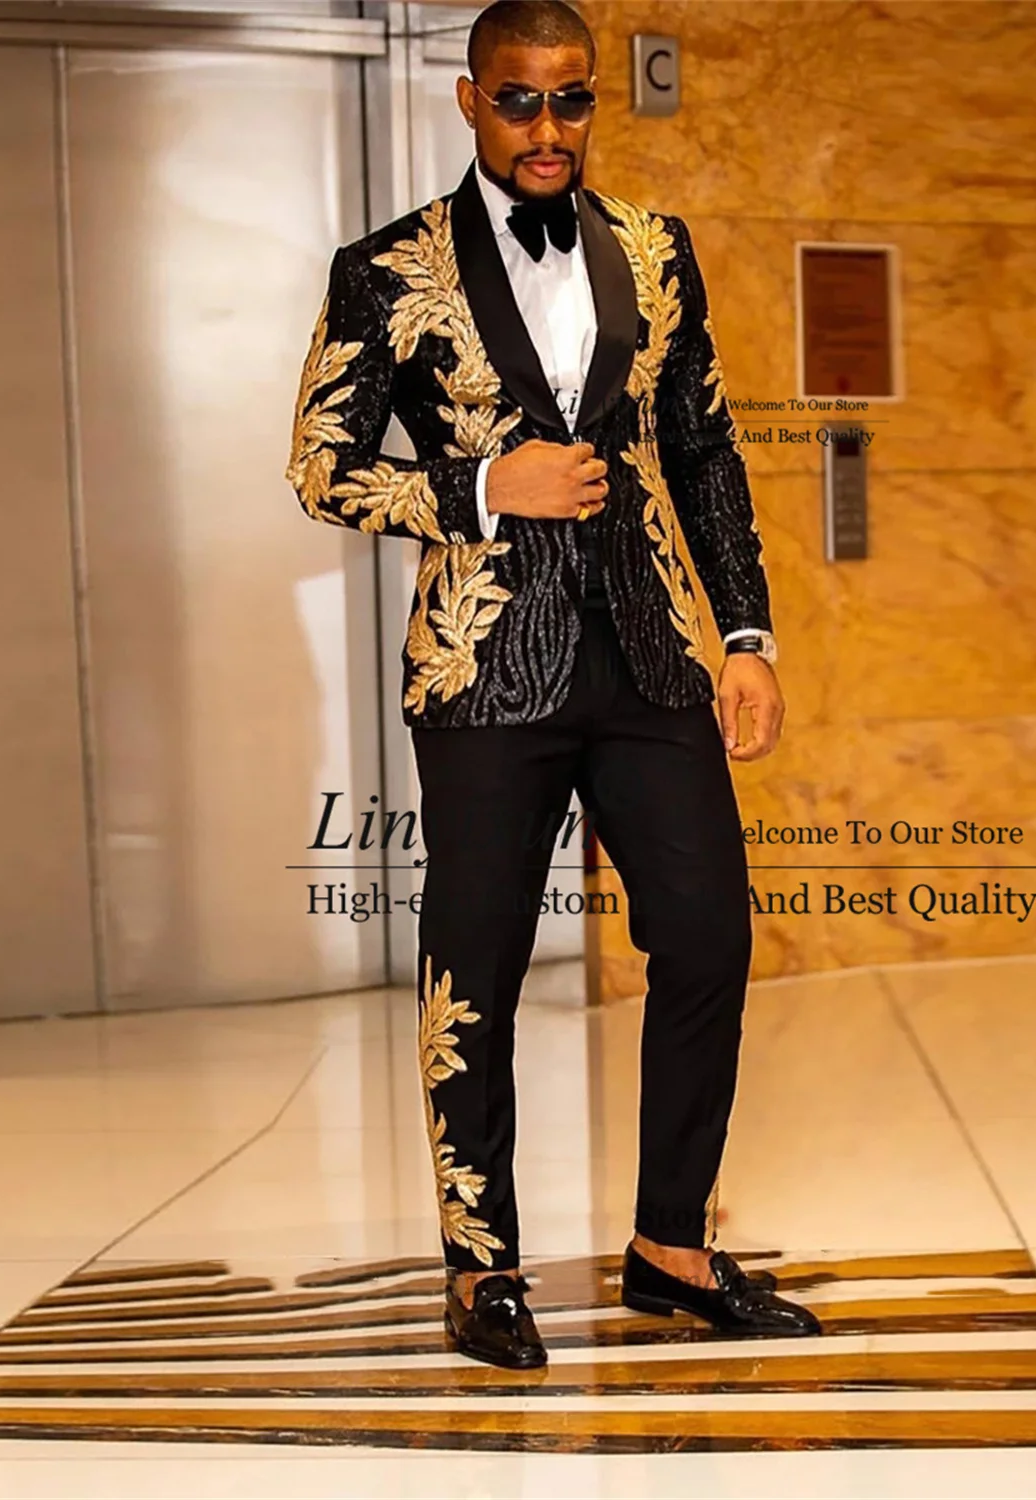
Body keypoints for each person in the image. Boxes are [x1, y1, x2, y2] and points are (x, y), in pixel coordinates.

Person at [286, 0, 819, 1369]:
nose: (546, 126)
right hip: (483, 669)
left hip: (651, 654)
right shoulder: (384, 269)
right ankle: (482, 1270)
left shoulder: (654, 246)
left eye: (570, 98)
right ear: (471, 100)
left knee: (707, 939)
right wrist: (480, 486)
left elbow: (703, 450)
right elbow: (321, 470)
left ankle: (672, 1247)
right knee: (477, 970)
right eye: (518, 99)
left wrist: (747, 638)